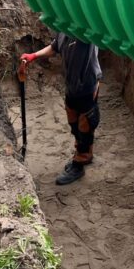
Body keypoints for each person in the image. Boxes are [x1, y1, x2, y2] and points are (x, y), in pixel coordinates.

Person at [20, 33, 102, 185]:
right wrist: (33, 55)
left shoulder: (86, 31)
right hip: (71, 86)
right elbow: (54, 47)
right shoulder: (64, 30)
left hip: (86, 87)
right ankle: (84, 153)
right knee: (74, 124)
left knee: (86, 126)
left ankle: (79, 163)